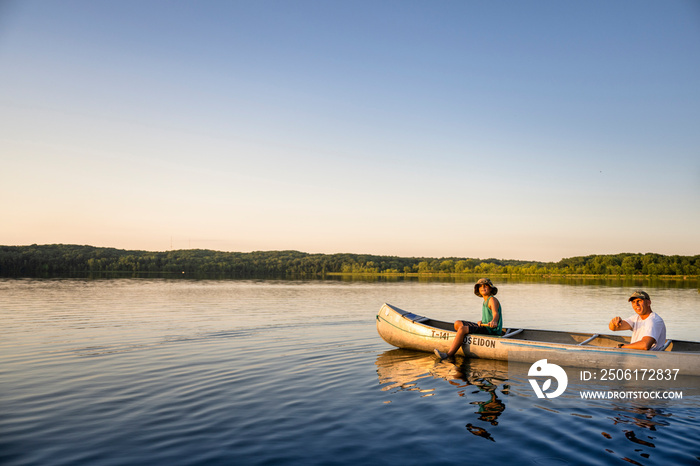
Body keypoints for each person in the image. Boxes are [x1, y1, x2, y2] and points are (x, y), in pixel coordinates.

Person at [434, 278, 503, 360]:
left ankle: (449, 354)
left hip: (491, 330)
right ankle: (461, 338)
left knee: (462, 329)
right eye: (480, 286)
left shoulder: (492, 299)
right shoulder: (485, 301)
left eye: (485, 286)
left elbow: (495, 313)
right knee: (457, 323)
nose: (483, 288)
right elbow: (489, 315)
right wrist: (482, 321)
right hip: (484, 327)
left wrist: (494, 321)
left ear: (491, 288)